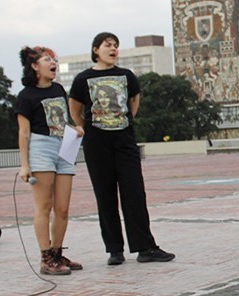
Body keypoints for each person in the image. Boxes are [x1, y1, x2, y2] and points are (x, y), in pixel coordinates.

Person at [69, 32, 174, 265]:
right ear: (96, 49)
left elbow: (134, 99)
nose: (113, 48)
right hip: (96, 142)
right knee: (105, 194)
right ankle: (114, 249)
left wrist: (125, 119)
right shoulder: (82, 78)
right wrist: (80, 125)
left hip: (124, 140)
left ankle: (145, 247)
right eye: (108, 45)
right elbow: (74, 106)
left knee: (134, 192)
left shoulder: (126, 75)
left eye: (116, 45)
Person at [16, 46, 84, 275]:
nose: (53, 62)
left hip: (63, 145)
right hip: (41, 147)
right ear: (35, 66)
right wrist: (25, 164)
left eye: (54, 59)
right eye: (47, 59)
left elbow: (60, 120)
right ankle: (46, 258)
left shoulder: (58, 89)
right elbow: (23, 133)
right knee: (44, 206)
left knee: (63, 208)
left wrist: (74, 129)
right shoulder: (26, 96)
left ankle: (57, 253)